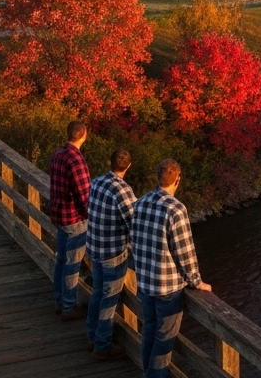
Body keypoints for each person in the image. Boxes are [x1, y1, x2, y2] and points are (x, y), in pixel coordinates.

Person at [130, 159, 212, 378]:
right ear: (178, 179)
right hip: (168, 288)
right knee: (164, 339)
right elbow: (184, 252)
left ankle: (147, 372)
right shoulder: (176, 209)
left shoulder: (140, 203)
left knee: (148, 330)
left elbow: (134, 240)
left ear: (157, 177)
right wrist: (197, 281)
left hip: (145, 282)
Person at [85, 149, 136, 360]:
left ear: (110, 162)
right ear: (128, 166)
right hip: (113, 253)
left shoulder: (96, 181)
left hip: (94, 247)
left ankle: (92, 335)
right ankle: (102, 345)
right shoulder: (123, 191)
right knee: (109, 299)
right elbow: (135, 224)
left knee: (97, 292)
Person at [47, 121, 91, 320]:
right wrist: (94, 217)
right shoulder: (76, 160)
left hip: (59, 216)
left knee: (61, 261)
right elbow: (85, 195)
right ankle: (68, 307)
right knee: (72, 265)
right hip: (74, 220)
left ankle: (59, 301)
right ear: (83, 135)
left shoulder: (58, 154)